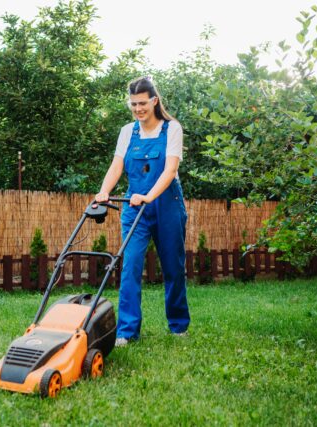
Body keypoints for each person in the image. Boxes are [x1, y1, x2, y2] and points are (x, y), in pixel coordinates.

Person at [95, 76, 190, 347]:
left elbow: (170, 171)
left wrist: (149, 196)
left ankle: (178, 325)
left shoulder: (172, 128)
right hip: (134, 206)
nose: (138, 109)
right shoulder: (128, 132)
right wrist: (103, 191)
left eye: (143, 103)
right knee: (130, 267)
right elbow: (116, 167)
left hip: (166, 204)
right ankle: (127, 331)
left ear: (154, 101)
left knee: (173, 267)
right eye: (133, 104)